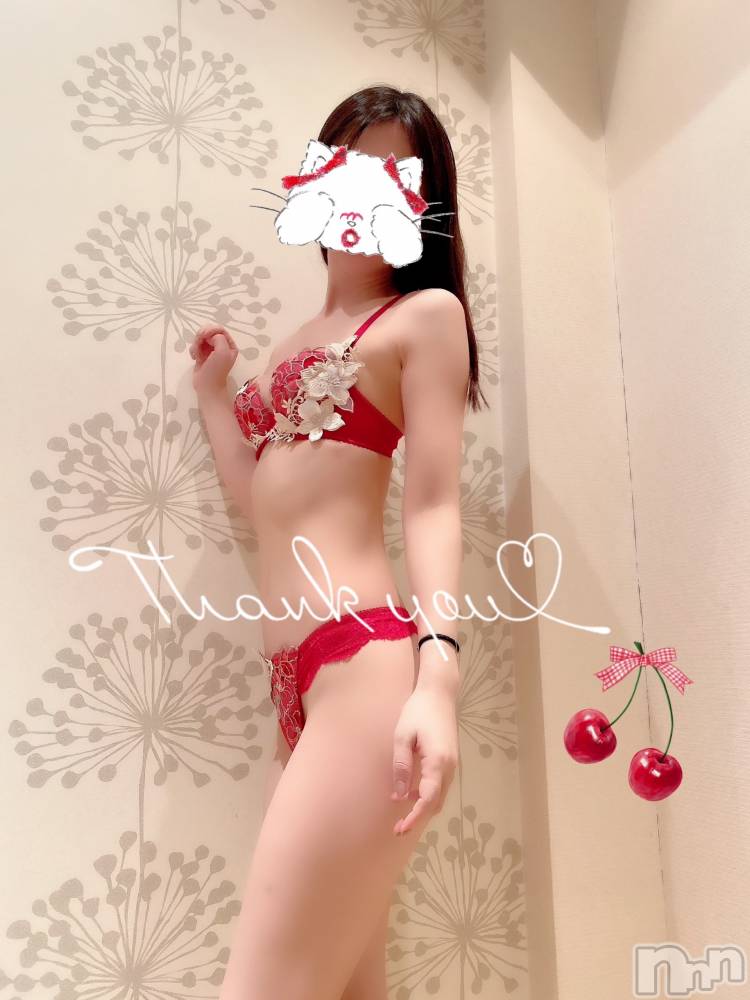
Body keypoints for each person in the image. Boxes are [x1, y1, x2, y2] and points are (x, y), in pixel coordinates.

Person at [190, 85, 487, 1000]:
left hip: (364, 668)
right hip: (296, 687)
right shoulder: (295, 341)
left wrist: (438, 678)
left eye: (393, 170)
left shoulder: (423, 317)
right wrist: (214, 396)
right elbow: (263, 500)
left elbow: (432, 503)